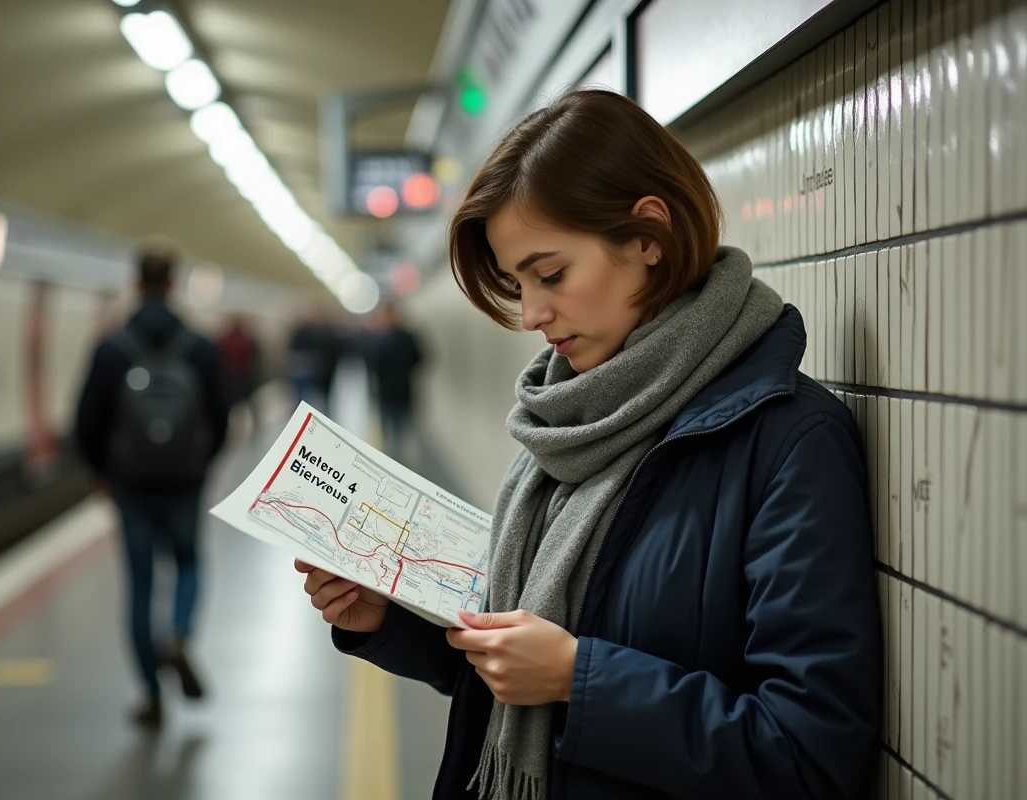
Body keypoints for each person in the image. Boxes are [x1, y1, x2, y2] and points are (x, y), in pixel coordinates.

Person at [295, 89, 881, 799]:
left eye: (551, 274)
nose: (532, 314)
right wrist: (389, 621)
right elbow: (513, 673)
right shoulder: (568, 423)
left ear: (648, 234)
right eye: (518, 283)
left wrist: (581, 679)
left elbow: (811, 755)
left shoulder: (788, 443)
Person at [75, 238, 231, 729]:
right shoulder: (200, 347)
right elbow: (223, 416)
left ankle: (150, 695)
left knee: (140, 585)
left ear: (136, 283)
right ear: (175, 283)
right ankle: (179, 634)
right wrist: (201, 463)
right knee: (188, 563)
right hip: (184, 480)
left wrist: (103, 473)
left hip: (131, 484)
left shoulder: (111, 348)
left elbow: (85, 422)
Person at [363, 301, 424, 463]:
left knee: (395, 429)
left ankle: (393, 460)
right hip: (393, 391)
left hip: (394, 391)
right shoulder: (405, 337)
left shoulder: (381, 338)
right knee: (394, 429)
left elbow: (371, 362)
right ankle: (395, 459)